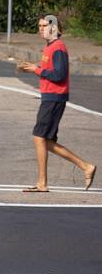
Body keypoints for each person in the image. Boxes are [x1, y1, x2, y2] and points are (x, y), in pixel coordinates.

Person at [16, 14, 96, 192]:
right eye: (39, 26)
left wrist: (37, 70)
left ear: (54, 27)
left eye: (44, 26)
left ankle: (42, 183)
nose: (41, 29)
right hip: (50, 97)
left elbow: (59, 75)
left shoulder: (58, 47)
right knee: (47, 141)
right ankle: (85, 167)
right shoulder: (50, 47)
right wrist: (33, 67)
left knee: (39, 137)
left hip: (54, 97)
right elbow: (50, 69)